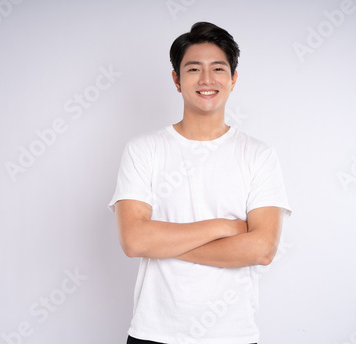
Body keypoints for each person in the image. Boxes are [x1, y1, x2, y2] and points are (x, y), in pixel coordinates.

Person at [109, 21, 291, 344]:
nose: (207, 80)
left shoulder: (258, 155)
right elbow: (135, 241)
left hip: (232, 334)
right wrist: (225, 226)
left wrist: (165, 244)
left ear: (233, 79)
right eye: (194, 69)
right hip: (154, 332)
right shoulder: (143, 150)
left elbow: (262, 248)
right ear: (177, 80)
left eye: (218, 68)